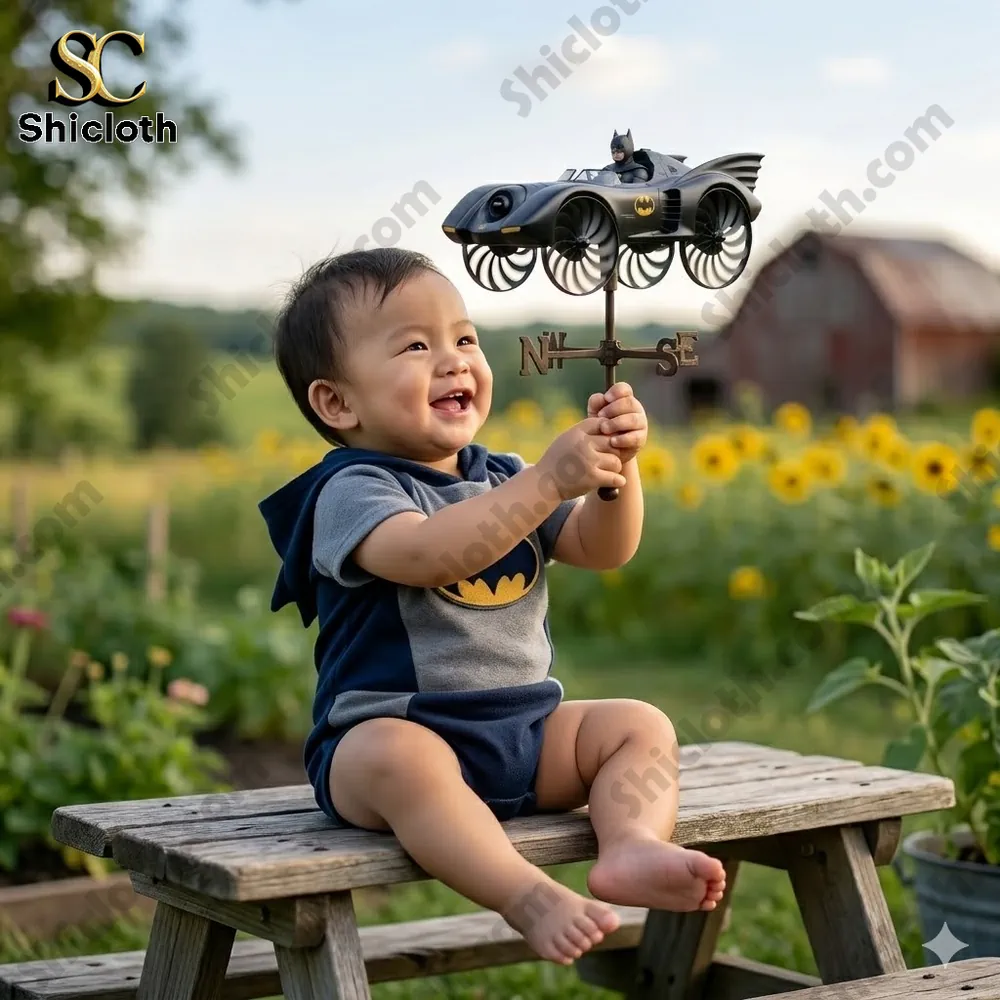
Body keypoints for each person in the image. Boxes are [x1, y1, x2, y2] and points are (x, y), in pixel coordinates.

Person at [258, 247, 726, 966]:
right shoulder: (351, 490)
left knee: (640, 725)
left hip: (524, 731)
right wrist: (548, 481)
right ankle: (526, 896)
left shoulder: (502, 475)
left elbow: (602, 547)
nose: (453, 360)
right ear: (338, 403)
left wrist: (615, 473)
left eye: (465, 338)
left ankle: (632, 846)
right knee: (399, 758)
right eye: (416, 347)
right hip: (395, 735)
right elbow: (432, 554)